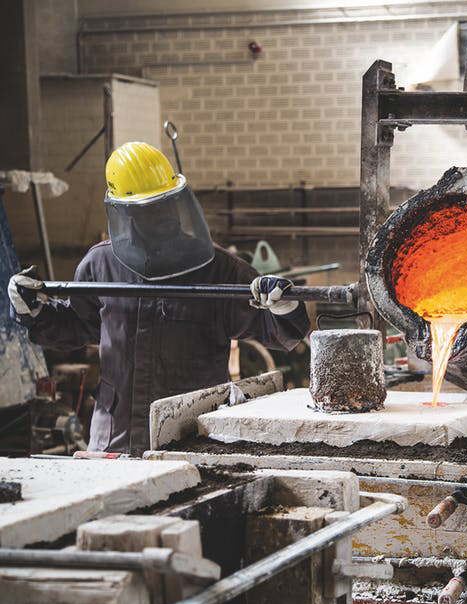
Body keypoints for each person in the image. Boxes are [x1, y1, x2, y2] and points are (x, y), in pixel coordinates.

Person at [7, 141, 310, 455]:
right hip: (116, 436)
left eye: (167, 203)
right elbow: (77, 325)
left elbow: (275, 328)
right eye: (148, 207)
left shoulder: (217, 269)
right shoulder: (101, 265)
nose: (163, 215)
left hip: (194, 435)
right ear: (123, 212)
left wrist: (285, 307)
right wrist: (36, 312)